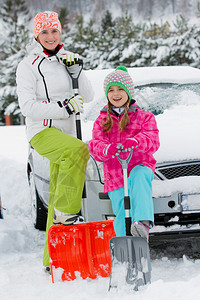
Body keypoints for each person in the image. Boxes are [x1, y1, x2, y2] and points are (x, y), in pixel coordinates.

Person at [16, 11, 94, 270]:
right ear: (36, 35)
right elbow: (27, 106)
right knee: (80, 151)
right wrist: (64, 107)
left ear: (60, 32)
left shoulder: (66, 59)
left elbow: (89, 94)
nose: (50, 36)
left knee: (56, 189)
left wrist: (77, 70)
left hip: (66, 133)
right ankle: (66, 216)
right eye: (45, 32)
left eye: (55, 31)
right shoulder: (28, 66)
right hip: (42, 131)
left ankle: (52, 259)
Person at [88, 66, 160, 241]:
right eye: (111, 90)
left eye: (120, 89)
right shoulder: (102, 120)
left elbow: (152, 139)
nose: (116, 93)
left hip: (139, 165)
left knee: (139, 176)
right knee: (121, 211)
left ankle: (142, 223)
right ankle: (125, 250)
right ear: (107, 94)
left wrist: (136, 141)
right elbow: (95, 145)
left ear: (129, 91)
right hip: (115, 175)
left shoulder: (144, 117)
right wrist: (107, 149)